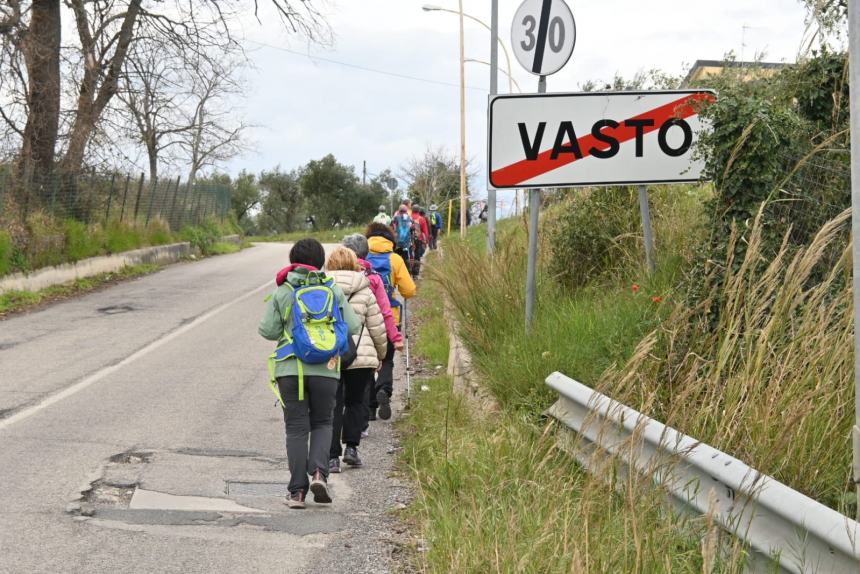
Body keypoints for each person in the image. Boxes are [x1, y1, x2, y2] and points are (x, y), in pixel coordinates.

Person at [258, 238, 361, 509]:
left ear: (293, 260)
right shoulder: (332, 289)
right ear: (319, 262)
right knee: (323, 423)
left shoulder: (284, 290)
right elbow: (353, 324)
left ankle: (297, 493)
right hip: (326, 369)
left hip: (290, 369)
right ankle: (319, 474)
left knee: (295, 428)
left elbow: (267, 330)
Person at [325, 247, 388, 474]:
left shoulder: (323, 288)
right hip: (361, 356)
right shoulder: (366, 289)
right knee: (355, 402)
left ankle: (332, 458)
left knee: (333, 405)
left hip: (330, 354)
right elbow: (377, 327)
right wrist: (380, 355)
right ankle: (351, 448)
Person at [341, 233, 405, 434]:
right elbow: (386, 311)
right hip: (372, 330)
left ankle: (352, 418)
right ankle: (373, 404)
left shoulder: (333, 275)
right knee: (376, 365)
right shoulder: (374, 276)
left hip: (343, 335)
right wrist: (395, 337)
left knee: (347, 379)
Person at [365, 222, 416, 421]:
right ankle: (384, 391)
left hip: (365, 318)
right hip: (389, 319)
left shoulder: (363, 256)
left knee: (367, 363)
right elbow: (409, 290)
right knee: (386, 360)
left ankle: (369, 408)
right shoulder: (394, 259)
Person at [411, 206, 430, 277]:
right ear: (418, 211)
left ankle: (408, 271)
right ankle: (415, 274)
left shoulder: (408, 217)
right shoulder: (421, 219)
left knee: (409, 256)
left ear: (412, 210)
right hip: (418, 240)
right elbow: (425, 231)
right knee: (417, 256)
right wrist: (426, 241)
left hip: (408, 240)